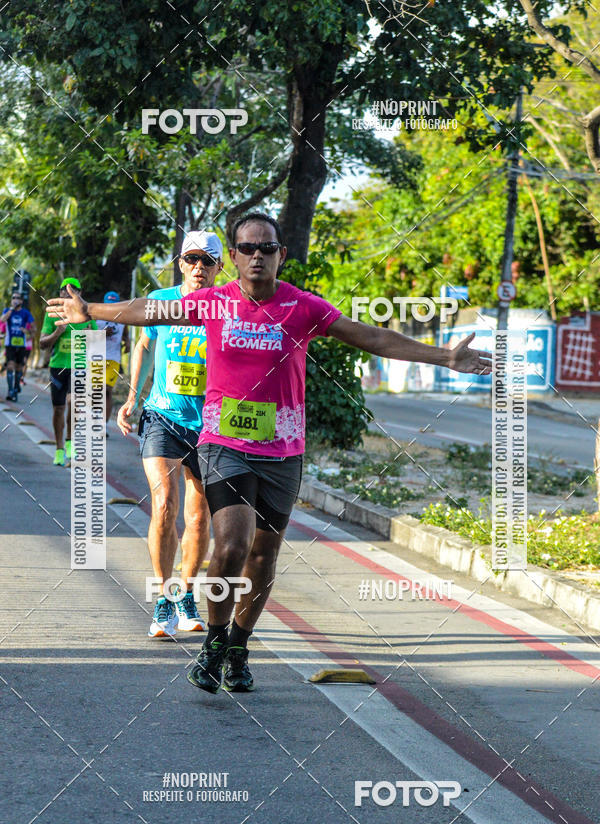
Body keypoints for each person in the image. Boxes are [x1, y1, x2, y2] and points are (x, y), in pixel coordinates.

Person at [47, 212, 493, 692]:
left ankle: (238, 646)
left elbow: (373, 335)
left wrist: (445, 356)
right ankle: (215, 640)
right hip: (224, 446)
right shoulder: (213, 303)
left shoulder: (302, 308)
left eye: (267, 248)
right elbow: (149, 312)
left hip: (283, 451)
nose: (257, 255)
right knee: (232, 546)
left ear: (281, 255)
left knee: (263, 556)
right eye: (248, 248)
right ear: (234, 258)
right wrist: (89, 311)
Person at [117, 231, 222, 637]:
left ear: (218, 267)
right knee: (165, 506)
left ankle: (186, 595)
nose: (199, 267)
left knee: (198, 518)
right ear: (180, 263)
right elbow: (143, 345)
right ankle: (164, 597)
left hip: (211, 425)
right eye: (192, 259)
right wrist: (133, 397)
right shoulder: (161, 301)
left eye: (207, 261)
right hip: (162, 417)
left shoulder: (227, 305)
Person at [40, 277, 96, 466]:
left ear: (80, 293)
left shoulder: (87, 314)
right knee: (58, 409)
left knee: (74, 403)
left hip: (79, 365)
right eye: (64, 289)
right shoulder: (53, 314)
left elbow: (96, 344)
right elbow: (42, 344)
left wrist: (92, 336)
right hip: (58, 367)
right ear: (60, 293)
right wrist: (57, 332)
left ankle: (70, 442)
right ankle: (58, 449)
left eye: (73, 289)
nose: (68, 292)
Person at [95, 291, 130, 429]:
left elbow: (125, 336)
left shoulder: (123, 320)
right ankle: (95, 417)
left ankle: (103, 424)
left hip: (114, 359)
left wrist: (127, 343)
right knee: (97, 390)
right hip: (96, 358)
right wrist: (102, 333)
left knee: (107, 390)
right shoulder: (96, 319)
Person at [1, 292, 35, 401]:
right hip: (9, 343)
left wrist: (27, 331)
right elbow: (2, 320)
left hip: (21, 344)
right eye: (13, 298)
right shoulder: (7, 310)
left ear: (21, 301)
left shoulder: (25, 313)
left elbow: (34, 329)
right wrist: (11, 309)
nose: (15, 299)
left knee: (19, 367)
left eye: (18, 298)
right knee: (10, 366)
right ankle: (10, 391)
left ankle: (16, 388)